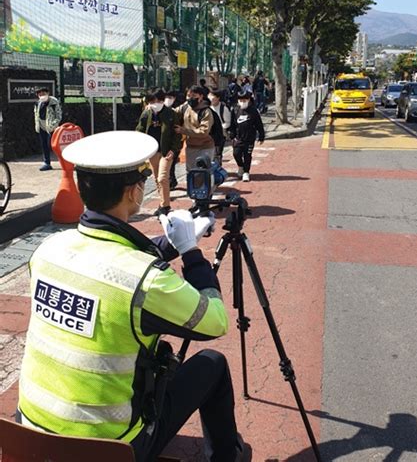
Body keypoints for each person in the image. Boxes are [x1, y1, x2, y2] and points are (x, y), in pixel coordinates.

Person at [17, 130, 250, 462]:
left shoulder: (48, 249)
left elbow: (104, 259)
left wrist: (170, 242)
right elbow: (215, 321)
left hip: (31, 432)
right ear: (133, 191)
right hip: (113, 449)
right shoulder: (148, 281)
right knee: (212, 364)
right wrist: (191, 252)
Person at [136, 90, 181, 216]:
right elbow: (140, 130)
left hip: (166, 151)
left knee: (162, 178)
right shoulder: (147, 113)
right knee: (157, 179)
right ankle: (162, 203)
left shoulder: (171, 113)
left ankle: (165, 206)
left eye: (159, 101)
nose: (156, 104)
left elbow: (177, 134)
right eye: (152, 101)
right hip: (152, 151)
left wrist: (174, 149)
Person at [175, 85, 215, 171]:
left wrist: (183, 131)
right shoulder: (185, 107)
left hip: (205, 147)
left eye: (194, 96)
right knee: (191, 173)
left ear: (200, 96)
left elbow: (203, 131)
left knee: (204, 173)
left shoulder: (206, 111)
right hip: (190, 147)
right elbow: (173, 113)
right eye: (188, 96)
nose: (190, 98)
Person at [228, 91, 265, 182]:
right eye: (240, 100)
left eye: (244, 100)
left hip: (249, 138)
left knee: (247, 155)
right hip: (238, 138)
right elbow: (232, 124)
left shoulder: (253, 111)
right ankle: (241, 166)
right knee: (236, 154)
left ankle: (246, 172)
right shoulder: (235, 110)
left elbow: (259, 124)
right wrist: (231, 135)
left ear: (248, 100)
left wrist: (261, 136)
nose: (242, 102)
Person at [34, 87, 62, 171]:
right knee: (44, 145)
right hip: (42, 127)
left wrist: (54, 125)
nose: (42, 96)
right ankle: (47, 163)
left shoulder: (54, 102)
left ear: (48, 93)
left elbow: (58, 115)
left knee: (55, 145)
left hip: (51, 127)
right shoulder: (38, 103)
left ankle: (64, 161)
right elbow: (36, 114)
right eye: (40, 94)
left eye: (44, 94)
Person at [208, 89, 232, 165]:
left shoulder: (223, 109)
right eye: (210, 96)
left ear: (218, 98)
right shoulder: (207, 107)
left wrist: (221, 128)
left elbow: (227, 122)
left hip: (220, 134)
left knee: (217, 153)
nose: (211, 98)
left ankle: (217, 168)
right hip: (208, 134)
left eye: (213, 96)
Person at [164, 91, 181, 190]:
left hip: (174, 144)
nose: (167, 99)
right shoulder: (157, 111)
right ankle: (172, 181)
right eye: (166, 97)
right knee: (168, 166)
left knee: (170, 164)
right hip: (163, 144)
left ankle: (170, 182)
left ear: (174, 99)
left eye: (170, 97)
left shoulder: (176, 112)